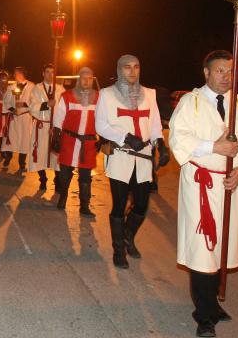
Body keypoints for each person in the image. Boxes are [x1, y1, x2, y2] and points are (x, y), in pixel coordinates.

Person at [169, 50, 238, 338]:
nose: (226, 77)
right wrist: (214, 147)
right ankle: (204, 315)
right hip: (202, 185)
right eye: (219, 71)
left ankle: (212, 303)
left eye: (230, 71)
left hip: (232, 186)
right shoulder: (191, 103)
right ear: (206, 73)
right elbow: (179, 137)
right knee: (203, 249)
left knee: (223, 248)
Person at [96, 55, 169, 270]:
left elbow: (154, 123)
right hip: (121, 156)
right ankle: (119, 249)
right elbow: (101, 125)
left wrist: (161, 145)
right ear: (119, 69)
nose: (132, 71)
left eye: (136, 67)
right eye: (127, 67)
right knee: (119, 206)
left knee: (142, 204)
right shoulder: (107, 94)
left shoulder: (149, 95)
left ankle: (127, 235)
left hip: (144, 157)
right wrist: (126, 137)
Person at [52, 66, 98, 215]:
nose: (86, 81)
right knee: (65, 173)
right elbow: (59, 117)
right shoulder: (67, 96)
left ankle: (84, 206)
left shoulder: (98, 98)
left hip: (88, 143)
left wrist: (103, 139)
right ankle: (63, 196)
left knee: (85, 176)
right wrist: (56, 137)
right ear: (79, 79)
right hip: (69, 140)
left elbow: (103, 120)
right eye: (84, 78)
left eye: (90, 78)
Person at [29, 64, 65, 190]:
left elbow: (64, 108)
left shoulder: (60, 89)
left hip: (55, 127)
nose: (50, 75)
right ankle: (43, 179)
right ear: (43, 73)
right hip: (41, 126)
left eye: (52, 72)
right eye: (48, 72)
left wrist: (57, 125)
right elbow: (32, 106)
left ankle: (58, 180)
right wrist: (46, 104)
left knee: (56, 154)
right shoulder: (37, 89)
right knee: (40, 153)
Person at [1, 66, 34, 174]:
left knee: (24, 141)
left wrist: (23, 104)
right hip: (14, 118)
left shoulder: (32, 86)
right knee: (11, 139)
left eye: (15, 73)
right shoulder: (11, 87)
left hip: (25, 118)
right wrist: (12, 109)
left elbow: (35, 102)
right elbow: (6, 101)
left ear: (21, 74)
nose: (14, 75)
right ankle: (8, 158)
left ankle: (22, 164)